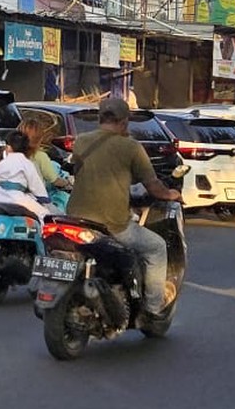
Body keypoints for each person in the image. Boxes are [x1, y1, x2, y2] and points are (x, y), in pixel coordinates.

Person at [64, 96, 182, 318]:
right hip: (112, 224)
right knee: (156, 247)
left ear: (100, 118)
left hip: (75, 217)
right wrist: (172, 194)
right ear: (125, 121)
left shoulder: (81, 140)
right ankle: (153, 308)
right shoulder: (131, 147)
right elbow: (154, 187)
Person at [0, 129, 51, 216]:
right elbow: (35, 183)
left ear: (8, 147)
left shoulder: (2, 163)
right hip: (17, 198)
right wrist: (43, 198)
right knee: (44, 214)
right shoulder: (26, 163)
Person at [20, 117, 73, 209]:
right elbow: (55, 180)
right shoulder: (40, 156)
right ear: (40, 138)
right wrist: (68, 182)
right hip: (35, 201)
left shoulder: (12, 154)